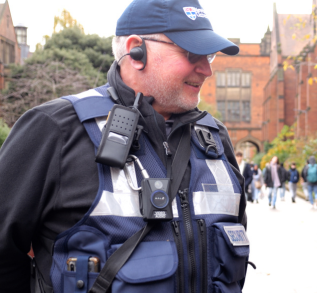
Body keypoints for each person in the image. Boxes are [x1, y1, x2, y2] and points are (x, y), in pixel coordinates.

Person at [0, 1, 250, 292]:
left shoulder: (214, 138)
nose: (206, 70)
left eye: (209, 55)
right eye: (192, 52)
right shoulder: (57, 128)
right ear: (136, 51)